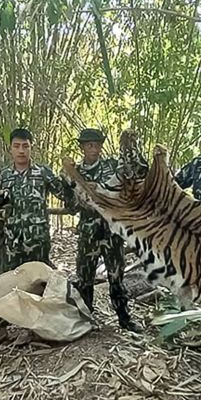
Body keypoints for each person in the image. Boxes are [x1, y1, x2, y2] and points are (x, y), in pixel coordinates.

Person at [0, 128, 68, 350]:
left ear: (32, 147)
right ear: (10, 148)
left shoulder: (43, 173)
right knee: (6, 282)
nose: (21, 150)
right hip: (13, 241)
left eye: (25, 146)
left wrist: (72, 178)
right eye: (17, 146)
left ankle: (31, 328)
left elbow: (65, 194)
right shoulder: (4, 176)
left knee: (37, 285)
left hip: (38, 240)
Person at [65, 128, 141, 332]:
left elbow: (128, 184)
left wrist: (99, 189)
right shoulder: (74, 171)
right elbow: (70, 206)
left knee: (116, 277)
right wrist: (79, 194)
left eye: (97, 144)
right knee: (85, 277)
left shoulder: (113, 166)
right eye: (89, 145)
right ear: (81, 147)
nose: (93, 148)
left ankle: (124, 320)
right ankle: (85, 319)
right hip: (88, 232)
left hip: (112, 231)